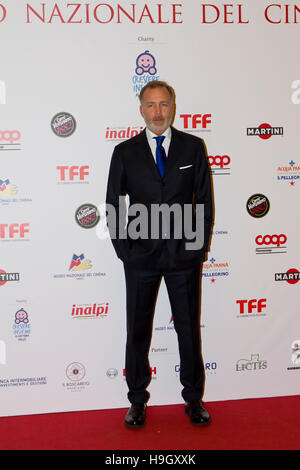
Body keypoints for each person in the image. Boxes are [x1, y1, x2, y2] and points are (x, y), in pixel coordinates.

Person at [106, 81, 213, 428]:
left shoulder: (193, 147)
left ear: (173, 107)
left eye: (163, 104)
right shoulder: (125, 152)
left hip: (184, 258)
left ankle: (193, 399)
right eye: (150, 105)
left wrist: (197, 248)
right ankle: (137, 400)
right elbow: (113, 205)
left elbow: (204, 203)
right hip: (141, 258)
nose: (157, 112)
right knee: (137, 330)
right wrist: (126, 251)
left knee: (187, 329)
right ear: (141, 110)